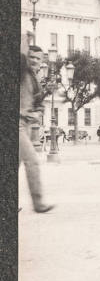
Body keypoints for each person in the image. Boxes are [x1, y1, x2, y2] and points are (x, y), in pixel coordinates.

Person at [19, 46, 54, 213]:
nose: (34, 60)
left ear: (42, 62)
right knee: (32, 161)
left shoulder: (36, 81)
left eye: (37, 58)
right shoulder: (19, 71)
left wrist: (37, 114)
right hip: (16, 125)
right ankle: (38, 204)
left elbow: (40, 104)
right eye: (31, 57)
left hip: (23, 126)